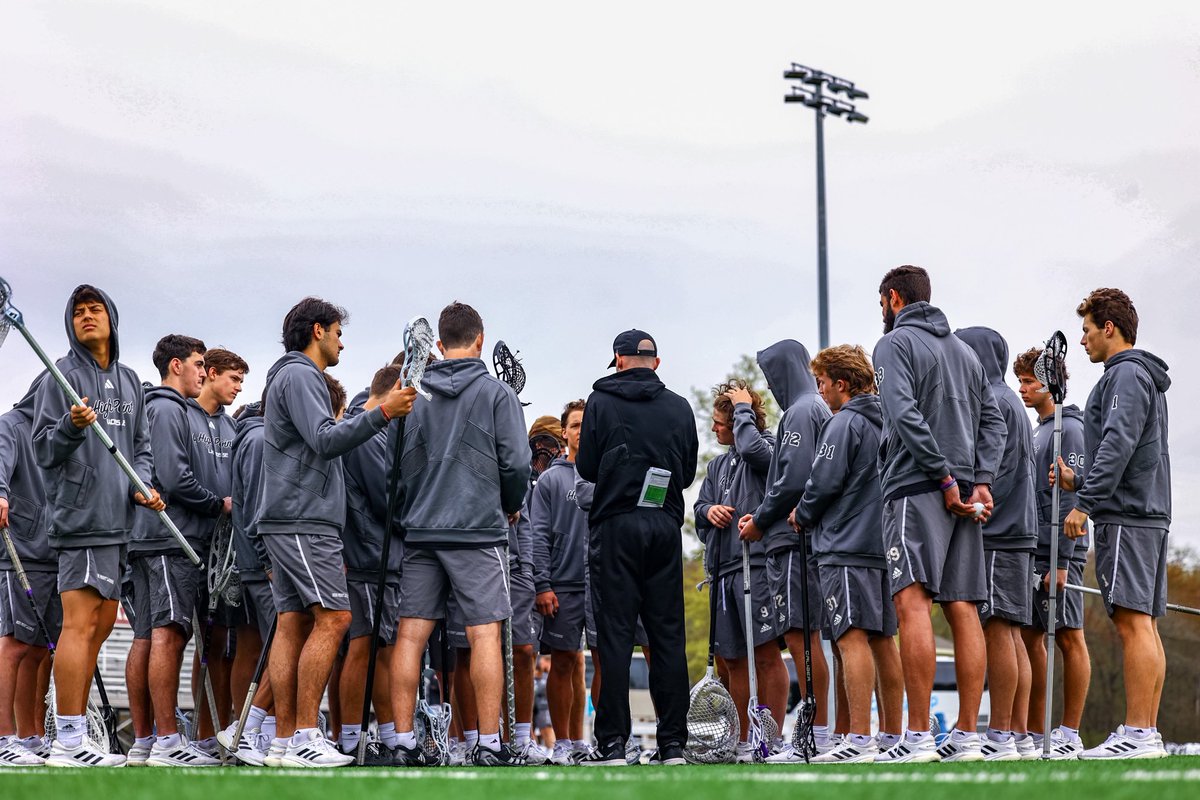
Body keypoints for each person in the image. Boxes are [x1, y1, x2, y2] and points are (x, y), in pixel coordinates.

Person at [258, 297, 415, 768]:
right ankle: (306, 732)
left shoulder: (287, 375)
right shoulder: (302, 374)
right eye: (339, 333)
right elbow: (326, 439)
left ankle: (287, 740)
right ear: (319, 331)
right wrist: (383, 413)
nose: (342, 342)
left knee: (293, 622)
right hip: (304, 517)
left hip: (291, 515)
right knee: (335, 619)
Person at [869, 266, 1005, 763]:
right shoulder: (966, 353)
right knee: (964, 608)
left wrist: (947, 479)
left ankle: (920, 736)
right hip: (964, 491)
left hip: (918, 488)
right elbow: (994, 421)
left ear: (893, 298)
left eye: (880, 301)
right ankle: (969, 735)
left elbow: (903, 415)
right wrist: (980, 480)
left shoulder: (893, 345)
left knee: (912, 605)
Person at [389, 302, 530, 767]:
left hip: (423, 527)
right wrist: (510, 505)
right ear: (480, 339)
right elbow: (516, 464)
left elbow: (402, 463)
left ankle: (403, 740)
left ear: (440, 343)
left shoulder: (414, 394)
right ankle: (489, 742)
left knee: (410, 634)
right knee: (485, 633)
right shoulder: (496, 394)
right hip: (477, 529)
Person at [32, 285, 164, 767]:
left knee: (103, 624)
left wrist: (141, 486)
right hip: (82, 518)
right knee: (80, 624)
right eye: (79, 312)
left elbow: (142, 448)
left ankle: (74, 736)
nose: (88, 317)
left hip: (120, 522)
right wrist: (70, 425)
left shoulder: (130, 380)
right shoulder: (60, 377)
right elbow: (42, 449)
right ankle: (67, 737)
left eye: (96, 309)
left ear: (112, 318)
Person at [576, 329, 698, 767]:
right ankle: (673, 745)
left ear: (619, 360)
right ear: (657, 363)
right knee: (668, 636)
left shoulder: (601, 402)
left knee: (614, 637)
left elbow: (586, 466)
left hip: (615, 526)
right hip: (664, 525)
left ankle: (612, 744)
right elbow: (685, 473)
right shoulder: (680, 407)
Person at [1058, 288, 1170, 760]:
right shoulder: (1135, 375)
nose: (1082, 340)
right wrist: (1076, 478)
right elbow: (1126, 452)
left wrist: (1084, 501)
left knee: (1132, 623)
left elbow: (1118, 443)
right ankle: (1145, 730)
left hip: (1128, 516)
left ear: (1109, 327)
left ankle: (1140, 732)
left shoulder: (1124, 374)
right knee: (1141, 623)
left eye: (1086, 330)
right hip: (1142, 511)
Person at [788, 345, 904, 764]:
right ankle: (893, 736)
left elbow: (822, 482)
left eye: (822, 383)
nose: (819, 392)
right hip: (880, 546)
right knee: (882, 641)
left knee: (851, 639)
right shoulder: (887, 422)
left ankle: (859, 738)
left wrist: (801, 512)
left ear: (841, 384)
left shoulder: (844, 424)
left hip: (845, 546)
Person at [123, 335, 224, 766]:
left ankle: (146, 742)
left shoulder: (168, 407)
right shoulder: (166, 407)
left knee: (150, 634)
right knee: (168, 631)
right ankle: (165, 740)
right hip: (169, 537)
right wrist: (220, 504)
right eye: (199, 364)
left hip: (158, 538)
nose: (204, 371)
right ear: (177, 365)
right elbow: (172, 477)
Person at [737, 340, 832, 757]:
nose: (770, 386)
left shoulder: (800, 410)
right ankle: (826, 731)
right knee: (807, 639)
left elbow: (793, 479)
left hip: (793, 542)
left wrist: (759, 519)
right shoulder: (815, 407)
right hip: (802, 541)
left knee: (801, 639)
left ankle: (817, 733)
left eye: (771, 375)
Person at [693, 381, 786, 762]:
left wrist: (743, 408)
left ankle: (772, 741)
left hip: (758, 567)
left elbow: (755, 452)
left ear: (739, 421)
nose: (714, 429)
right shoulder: (717, 464)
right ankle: (742, 741)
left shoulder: (765, 447)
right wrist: (707, 513)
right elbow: (699, 511)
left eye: (719, 423)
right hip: (723, 571)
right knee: (731, 661)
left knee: (764, 656)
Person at [956, 327, 1037, 761]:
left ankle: (1003, 733)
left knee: (999, 630)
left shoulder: (994, 401)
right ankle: (1018, 733)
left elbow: (992, 475)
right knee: (1011, 634)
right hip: (1016, 530)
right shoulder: (1008, 400)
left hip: (999, 532)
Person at [1013, 347, 1091, 760]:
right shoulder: (1040, 428)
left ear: (1052, 383)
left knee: (1069, 637)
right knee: (1028, 638)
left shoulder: (1071, 429)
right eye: (1021, 382)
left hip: (1062, 554)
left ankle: (1069, 732)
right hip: (1036, 549)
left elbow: (1072, 495)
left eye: (1030, 381)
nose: (1023, 389)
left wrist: (1062, 561)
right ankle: (1030, 731)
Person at [336, 364, 402, 761]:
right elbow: (388, 498)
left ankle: (390, 736)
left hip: (378, 553)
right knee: (363, 647)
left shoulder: (374, 429)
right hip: (367, 554)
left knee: (379, 649)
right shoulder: (368, 431)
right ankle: (349, 739)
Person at [188, 348, 246, 755]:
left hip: (227, 550)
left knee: (228, 639)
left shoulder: (232, 426)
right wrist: (216, 503)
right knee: (204, 643)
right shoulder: (183, 414)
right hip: (191, 545)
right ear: (210, 374)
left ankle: (226, 730)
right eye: (233, 379)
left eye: (242, 382)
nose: (238, 388)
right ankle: (203, 731)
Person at [0, 379, 59, 767]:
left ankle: (31, 736)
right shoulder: (12, 425)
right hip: (20, 549)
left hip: (56, 551)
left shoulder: (58, 433)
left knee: (41, 651)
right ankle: (4, 737)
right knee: (15, 644)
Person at [531, 402, 592, 764]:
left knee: (593, 662)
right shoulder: (550, 480)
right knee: (564, 662)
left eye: (587, 423)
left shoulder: (605, 474)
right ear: (564, 433)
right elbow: (538, 536)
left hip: (600, 584)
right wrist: (543, 584)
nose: (582, 429)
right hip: (562, 586)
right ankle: (563, 743)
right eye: (575, 424)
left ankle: (586, 741)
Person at [218, 399, 276, 766]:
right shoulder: (258, 440)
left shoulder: (250, 436)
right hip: (259, 563)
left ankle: (253, 729)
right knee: (280, 644)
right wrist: (267, 560)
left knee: (256, 645)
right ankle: (254, 729)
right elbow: (256, 507)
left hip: (251, 561)